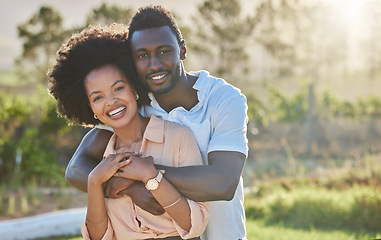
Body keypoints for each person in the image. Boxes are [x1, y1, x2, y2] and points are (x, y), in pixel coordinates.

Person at [65, 5, 248, 240]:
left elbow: (223, 182)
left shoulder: (223, 98)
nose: (154, 65)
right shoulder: (132, 103)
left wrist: (148, 176)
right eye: (142, 55)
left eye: (164, 52)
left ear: (182, 50)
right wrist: (131, 188)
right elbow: (76, 168)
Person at [48, 24, 208, 240]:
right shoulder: (104, 160)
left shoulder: (179, 137)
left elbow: (194, 225)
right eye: (98, 98)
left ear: (133, 87)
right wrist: (95, 181)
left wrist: (150, 177)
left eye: (118, 88)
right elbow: (97, 237)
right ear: (89, 108)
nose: (111, 102)